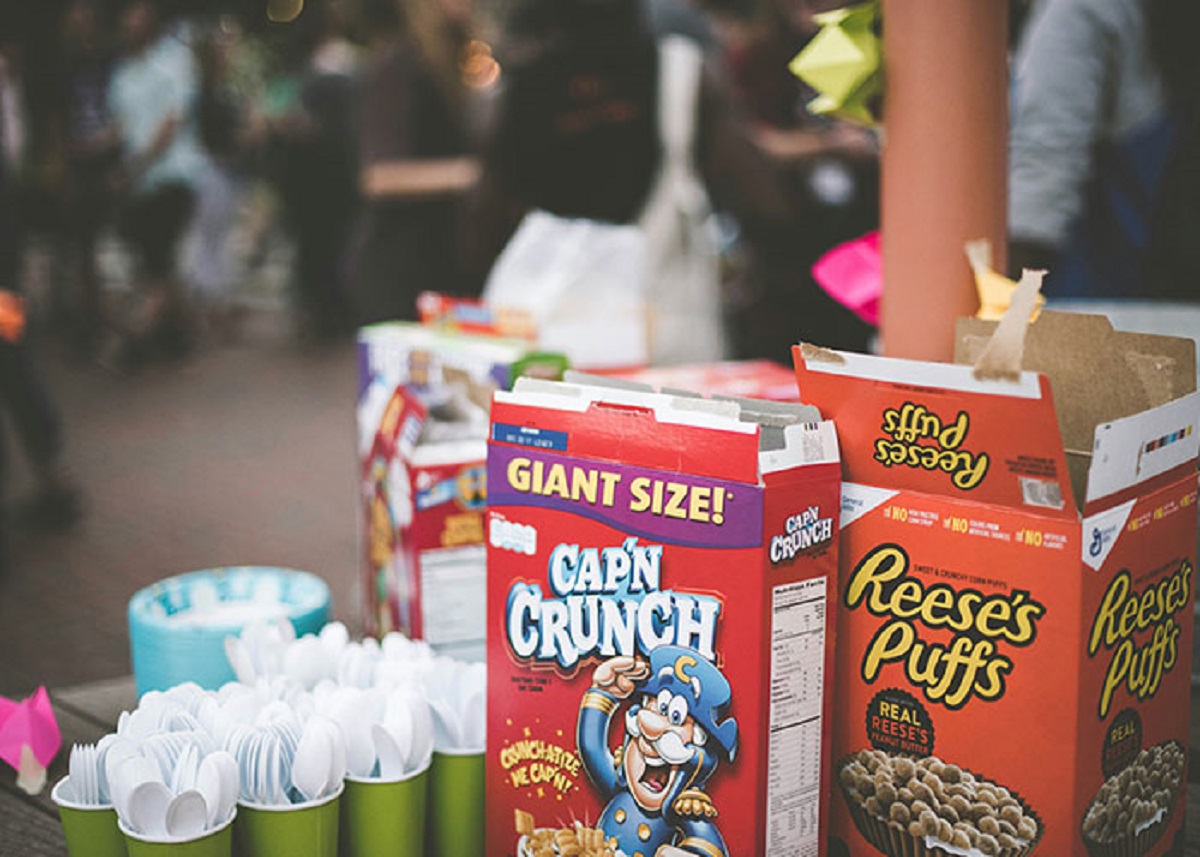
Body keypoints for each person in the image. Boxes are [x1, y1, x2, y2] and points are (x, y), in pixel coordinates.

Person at [467, 0, 793, 365]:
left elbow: (483, 226)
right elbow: (768, 199)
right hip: (664, 330)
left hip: (547, 334)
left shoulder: (516, 87)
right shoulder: (682, 71)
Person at [1007, 0, 1200, 300]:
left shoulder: (1076, 12)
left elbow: (1044, 173)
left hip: (1099, 290)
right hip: (1160, 293)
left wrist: (1002, 308)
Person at [718, 0, 879, 358]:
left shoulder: (877, 44)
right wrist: (829, 144)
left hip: (861, 238)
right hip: (785, 249)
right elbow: (751, 143)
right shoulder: (759, 55)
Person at [349, 0, 483, 326]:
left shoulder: (456, 61)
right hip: (400, 273)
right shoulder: (399, 62)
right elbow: (379, 177)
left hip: (439, 266)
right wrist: (473, 173)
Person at [106, 0, 207, 368]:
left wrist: (135, 165)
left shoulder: (174, 62)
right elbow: (120, 126)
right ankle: (184, 329)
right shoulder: (122, 74)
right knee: (158, 265)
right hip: (141, 185)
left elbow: (172, 122)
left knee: (158, 264)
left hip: (172, 177)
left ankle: (133, 339)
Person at [267, 0, 361, 341]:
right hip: (318, 180)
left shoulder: (336, 67)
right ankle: (324, 312)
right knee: (319, 248)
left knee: (325, 248)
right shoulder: (319, 66)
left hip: (328, 178)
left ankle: (329, 312)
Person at [56, 0, 121, 358]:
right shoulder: (64, 67)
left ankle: (98, 321)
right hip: (79, 165)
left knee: (93, 247)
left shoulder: (108, 61)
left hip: (104, 163)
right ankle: (88, 321)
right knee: (82, 250)